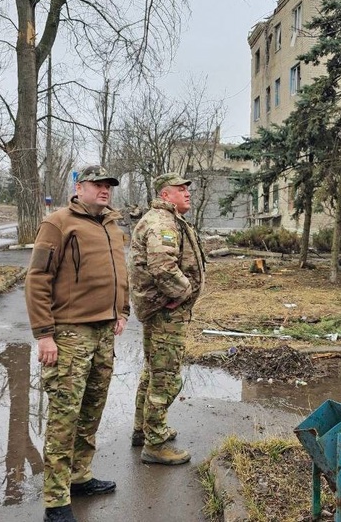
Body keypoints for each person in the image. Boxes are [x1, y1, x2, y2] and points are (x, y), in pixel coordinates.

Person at [25, 165, 130, 522]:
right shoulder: (59, 223)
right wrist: (44, 334)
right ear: (79, 187)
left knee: (91, 410)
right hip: (69, 333)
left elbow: (120, 272)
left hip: (104, 332)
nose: (104, 190)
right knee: (64, 418)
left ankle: (80, 476)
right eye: (97, 185)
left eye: (108, 186)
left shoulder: (112, 226)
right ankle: (56, 501)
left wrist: (122, 310)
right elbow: (37, 278)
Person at [128, 172, 205, 465]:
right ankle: (155, 443)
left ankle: (143, 429)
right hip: (166, 311)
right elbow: (163, 268)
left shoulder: (165, 220)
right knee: (165, 376)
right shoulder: (162, 224)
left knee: (152, 371)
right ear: (164, 194)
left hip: (160, 309)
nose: (187, 193)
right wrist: (184, 293)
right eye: (180, 189)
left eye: (188, 188)